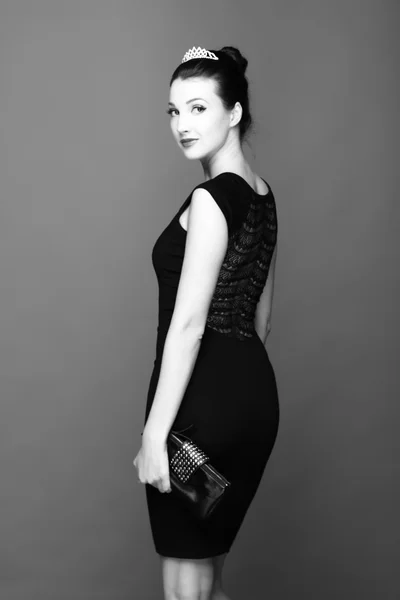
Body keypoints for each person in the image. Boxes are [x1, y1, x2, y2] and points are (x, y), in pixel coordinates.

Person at [133, 45, 279, 600]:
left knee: (183, 590)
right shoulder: (262, 197)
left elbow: (190, 324)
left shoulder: (212, 199)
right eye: (173, 111)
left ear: (234, 111)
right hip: (253, 406)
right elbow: (262, 319)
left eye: (198, 108)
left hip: (195, 416)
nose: (182, 125)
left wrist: (154, 434)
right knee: (208, 580)